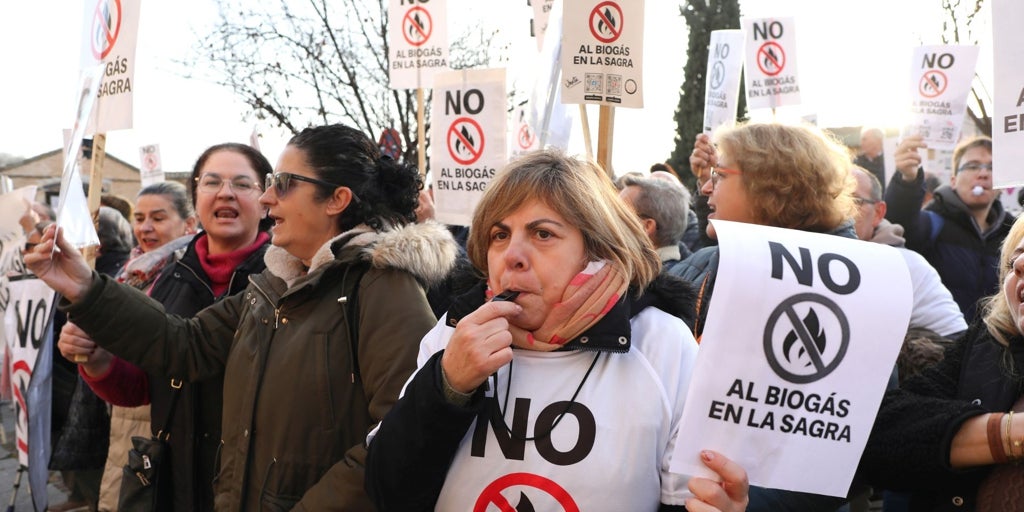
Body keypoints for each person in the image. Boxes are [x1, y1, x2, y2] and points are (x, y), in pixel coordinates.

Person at [28, 123, 459, 510]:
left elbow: (401, 434)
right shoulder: (271, 287)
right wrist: (85, 287)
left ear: (337, 200)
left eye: (284, 183)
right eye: (270, 182)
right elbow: (184, 345)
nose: (268, 196)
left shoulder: (383, 288)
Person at [364, 150, 748, 512]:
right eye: (499, 235)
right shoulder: (454, 333)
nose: (511, 255)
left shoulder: (660, 343)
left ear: (596, 248)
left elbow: (687, 499)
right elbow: (389, 492)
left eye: (542, 234)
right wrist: (446, 386)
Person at [64, 143, 273, 512]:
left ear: (266, 199)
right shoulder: (164, 277)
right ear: (197, 198)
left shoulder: (285, 279)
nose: (225, 192)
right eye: (211, 182)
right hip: (175, 482)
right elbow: (144, 386)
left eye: (242, 184)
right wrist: (98, 361)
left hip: (255, 484)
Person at [860, 213, 1024, 510]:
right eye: (1016, 261)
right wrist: (1011, 432)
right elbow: (878, 435)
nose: (1021, 267)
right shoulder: (986, 346)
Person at [81, 183, 198, 512]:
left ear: (189, 224)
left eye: (158, 218)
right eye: (140, 217)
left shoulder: (184, 273)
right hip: (122, 416)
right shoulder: (131, 272)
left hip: (156, 417)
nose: (145, 227)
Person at [681, 122, 858, 339]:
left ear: (768, 186)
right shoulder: (699, 266)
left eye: (719, 175)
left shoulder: (857, 284)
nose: (706, 188)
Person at [884, 135, 1015, 322]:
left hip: (992, 348)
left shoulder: (1012, 236)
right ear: (953, 180)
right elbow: (899, 223)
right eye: (972, 166)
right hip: (942, 345)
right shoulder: (932, 224)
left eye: (992, 168)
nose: (983, 174)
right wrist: (907, 180)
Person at [851, 166, 967, 339]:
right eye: (829, 199)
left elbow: (957, 343)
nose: (840, 211)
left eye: (853, 200)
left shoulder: (908, 267)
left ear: (878, 213)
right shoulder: (800, 253)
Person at [618, 173, 693, 267]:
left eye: (619, 213)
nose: (610, 219)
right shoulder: (635, 271)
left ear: (646, 226)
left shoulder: (651, 278)